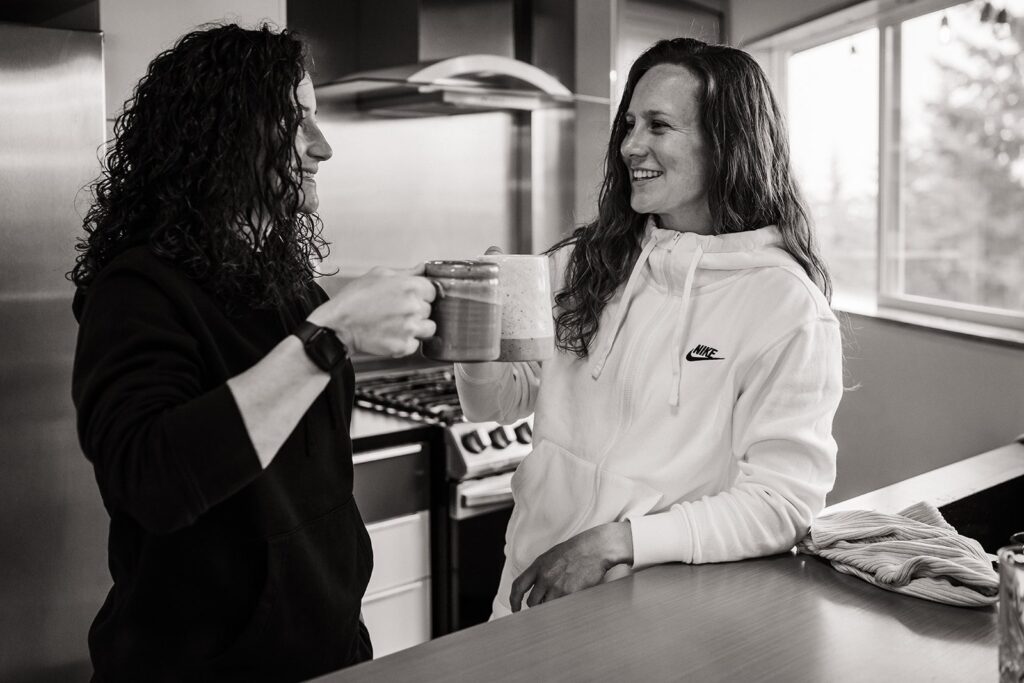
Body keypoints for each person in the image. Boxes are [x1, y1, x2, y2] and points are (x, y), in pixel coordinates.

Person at [69, 24, 436, 682]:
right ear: (222, 133)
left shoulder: (286, 282)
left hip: (329, 655)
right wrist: (331, 337)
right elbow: (150, 478)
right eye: (295, 122)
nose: (321, 148)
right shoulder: (137, 287)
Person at [456, 37, 844, 617]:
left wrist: (620, 541)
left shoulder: (783, 304)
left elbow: (781, 502)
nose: (630, 145)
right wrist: (477, 332)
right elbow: (501, 403)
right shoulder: (587, 261)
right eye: (630, 123)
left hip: (652, 609)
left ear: (726, 143)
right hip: (530, 584)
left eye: (659, 126)